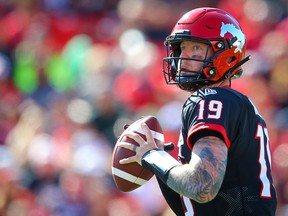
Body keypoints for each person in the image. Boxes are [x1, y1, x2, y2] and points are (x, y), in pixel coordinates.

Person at [118, 7, 277, 216]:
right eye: (182, 48)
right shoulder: (232, 102)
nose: (184, 57)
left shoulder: (211, 98)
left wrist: (152, 155)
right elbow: (195, 204)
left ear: (226, 54)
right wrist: (159, 163)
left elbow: (202, 187)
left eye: (195, 48)